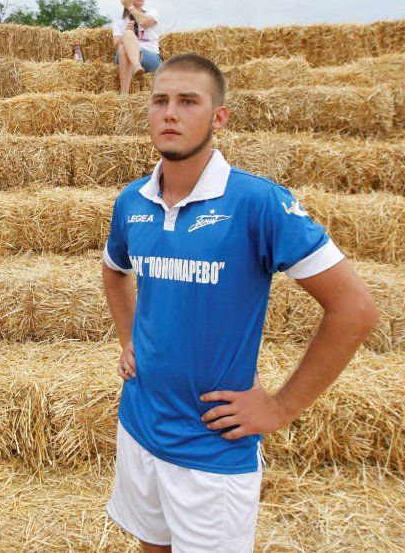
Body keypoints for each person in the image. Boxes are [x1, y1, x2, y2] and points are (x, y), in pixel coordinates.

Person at [101, 54, 379, 552]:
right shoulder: (131, 202)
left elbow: (355, 311)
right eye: (160, 101)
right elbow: (113, 270)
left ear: (219, 117)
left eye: (189, 102)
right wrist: (128, 340)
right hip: (140, 426)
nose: (170, 113)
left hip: (212, 449)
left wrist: (280, 408)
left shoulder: (258, 203)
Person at [113, 0, 162, 95]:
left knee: (123, 48)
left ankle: (123, 95)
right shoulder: (119, 22)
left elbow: (143, 22)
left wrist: (130, 7)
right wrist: (126, 34)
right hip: (124, 57)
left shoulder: (151, 13)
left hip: (150, 57)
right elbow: (116, 45)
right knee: (125, 42)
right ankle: (136, 66)